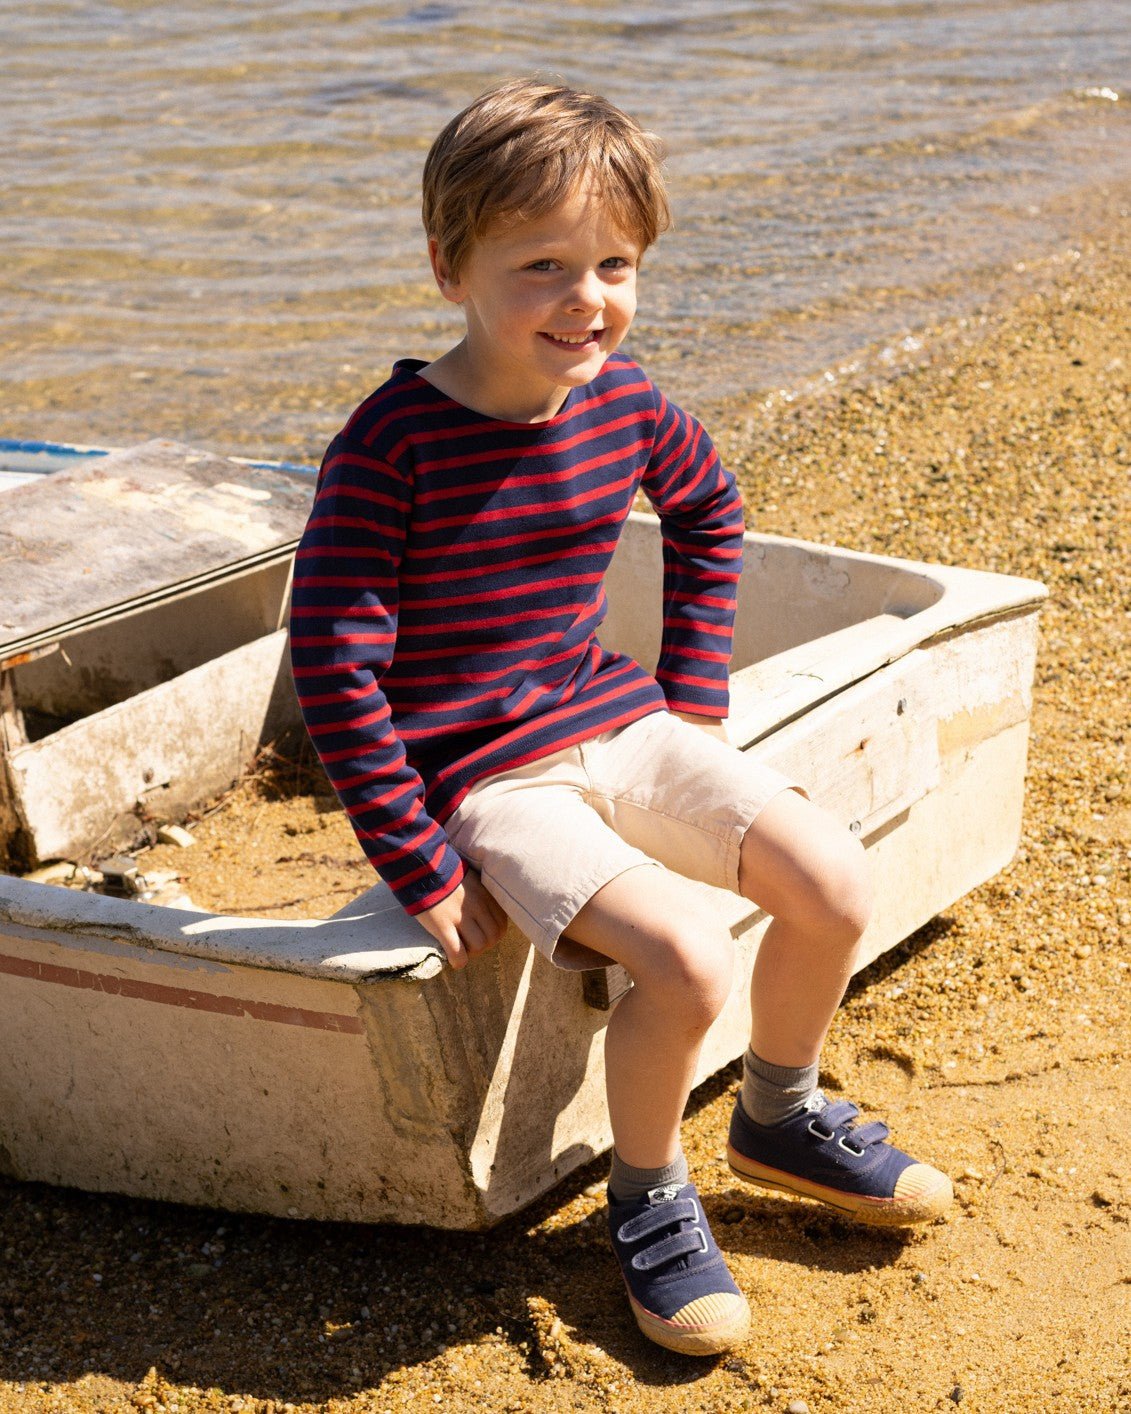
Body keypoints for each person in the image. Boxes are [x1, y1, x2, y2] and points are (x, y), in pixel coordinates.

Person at [290, 77, 952, 1357]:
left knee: (833, 878)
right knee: (691, 955)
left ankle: (778, 1111)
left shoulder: (625, 400)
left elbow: (710, 510)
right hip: (490, 777)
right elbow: (333, 663)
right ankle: (647, 1194)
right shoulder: (391, 448)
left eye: (614, 262)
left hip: (623, 721)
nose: (585, 296)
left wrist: (694, 698)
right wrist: (414, 856)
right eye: (541, 264)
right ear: (448, 268)